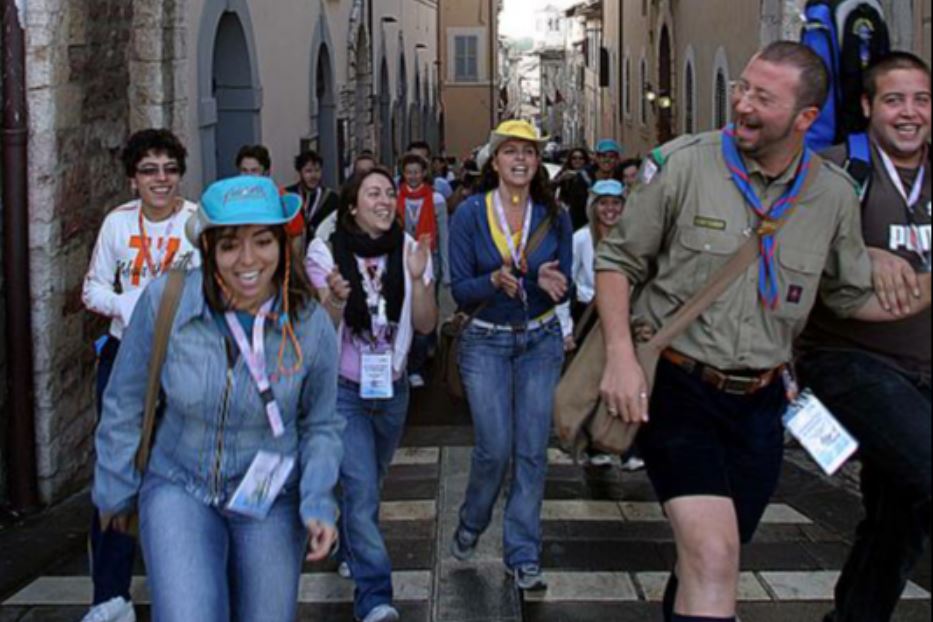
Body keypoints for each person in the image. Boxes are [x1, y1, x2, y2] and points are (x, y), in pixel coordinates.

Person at [594, 42, 931, 622]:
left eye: (762, 97)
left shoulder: (830, 196)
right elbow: (616, 263)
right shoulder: (684, 164)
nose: (743, 104)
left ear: (805, 117)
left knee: (708, 559)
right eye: (742, 88)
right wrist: (621, 358)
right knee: (715, 552)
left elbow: (851, 297)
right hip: (678, 387)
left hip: (760, 405)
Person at [92, 176, 344, 621]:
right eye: (229, 245)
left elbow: (322, 423)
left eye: (263, 241)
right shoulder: (166, 302)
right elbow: (124, 401)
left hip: (270, 494)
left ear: (283, 246)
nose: (247, 260)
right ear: (208, 250)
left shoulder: (309, 324)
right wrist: (115, 485)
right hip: (179, 484)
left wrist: (318, 499)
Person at [796, 52, 932, 622]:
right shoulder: (833, 172)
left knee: (901, 508)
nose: (910, 113)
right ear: (867, 106)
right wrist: (859, 251)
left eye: (922, 100)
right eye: (895, 100)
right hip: (852, 360)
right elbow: (783, 252)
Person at [306, 167, 438, 622]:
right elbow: (321, 336)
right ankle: (376, 596)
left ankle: (353, 541)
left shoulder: (408, 250)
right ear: (352, 206)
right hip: (345, 392)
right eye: (374, 193)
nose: (385, 201)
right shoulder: (324, 253)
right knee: (361, 490)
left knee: (371, 482)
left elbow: (424, 325)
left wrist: (419, 279)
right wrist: (336, 300)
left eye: (389, 193)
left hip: (393, 388)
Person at [80, 128, 200, 622]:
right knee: (116, 468)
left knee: (184, 470)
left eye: (170, 168)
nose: (161, 178)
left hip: (183, 359)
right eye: (149, 170)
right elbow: (91, 290)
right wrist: (129, 305)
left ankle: (192, 582)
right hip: (125, 358)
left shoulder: (197, 222)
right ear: (133, 179)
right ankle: (111, 596)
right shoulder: (116, 225)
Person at [448, 119, 572, 591]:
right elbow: (458, 289)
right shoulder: (469, 215)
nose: (520, 160)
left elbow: (565, 282)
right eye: (510, 152)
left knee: (531, 451)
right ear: (494, 161)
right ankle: (471, 523)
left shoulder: (554, 214)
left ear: (537, 163)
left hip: (540, 340)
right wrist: (492, 282)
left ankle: (522, 552)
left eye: (529, 153)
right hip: (485, 340)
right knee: (494, 449)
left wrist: (553, 287)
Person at [397, 152, 450, 387]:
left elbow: (445, 235)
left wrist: (447, 271)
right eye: (409, 172)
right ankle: (409, 357)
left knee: (428, 304)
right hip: (402, 257)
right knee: (405, 306)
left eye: (417, 172)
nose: (413, 176)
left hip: (432, 256)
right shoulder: (395, 197)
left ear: (424, 173)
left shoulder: (436, 199)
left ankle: (427, 347)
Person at [564, 139, 624, 231]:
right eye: (603, 156)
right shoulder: (583, 179)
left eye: (611, 157)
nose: (607, 160)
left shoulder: (621, 179)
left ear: (617, 159)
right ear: (596, 158)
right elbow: (576, 211)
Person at [286, 150, 340, 240]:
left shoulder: (332, 199)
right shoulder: (290, 196)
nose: (313, 176)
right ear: (299, 172)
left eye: (317, 170)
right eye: (308, 171)